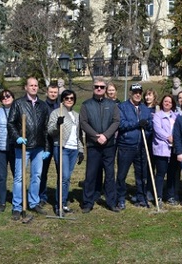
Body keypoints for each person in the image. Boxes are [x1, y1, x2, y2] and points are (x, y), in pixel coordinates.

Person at [7, 77, 51, 220]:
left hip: (38, 147)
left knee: (36, 176)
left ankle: (33, 202)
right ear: (26, 87)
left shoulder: (43, 106)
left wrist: (46, 147)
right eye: (31, 85)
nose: (33, 88)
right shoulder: (18, 104)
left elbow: (45, 129)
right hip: (23, 146)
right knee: (19, 177)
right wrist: (17, 137)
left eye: (36, 85)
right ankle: (17, 206)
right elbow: (11, 123)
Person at [80, 77, 120, 213]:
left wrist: (106, 135)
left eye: (102, 87)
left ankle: (111, 202)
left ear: (105, 89)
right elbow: (84, 123)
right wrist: (96, 136)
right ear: (93, 88)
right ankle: (87, 203)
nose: (99, 89)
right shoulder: (86, 105)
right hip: (93, 145)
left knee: (109, 175)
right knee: (91, 175)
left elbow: (116, 121)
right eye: (96, 86)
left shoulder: (112, 105)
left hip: (109, 145)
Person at [116, 83, 153, 209]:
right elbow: (121, 124)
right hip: (126, 146)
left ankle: (141, 197)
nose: (137, 94)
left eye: (139, 92)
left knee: (141, 174)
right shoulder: (122, 107)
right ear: (131, 93)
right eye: (135, 92)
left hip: (141, 146)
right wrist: (137, 124)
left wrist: (146, 126)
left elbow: (150, 126)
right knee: (122, 175)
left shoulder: (145, 109)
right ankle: (120, 198)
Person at [47, 89, 84, 214]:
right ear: (62, 99)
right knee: (64, 176)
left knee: (67, 178)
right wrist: (58, 125)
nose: (69, 100)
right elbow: (50, 131)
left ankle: (64, 203)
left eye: (71, 98)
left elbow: (78, 134)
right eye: (66, 98)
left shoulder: (77, 115)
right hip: (62, 147)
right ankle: (59, 205)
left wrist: (81, 150)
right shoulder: (57, 112)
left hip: (73, 149)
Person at [151, 95, 178, 206]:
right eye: (165, 101)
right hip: (162, 148)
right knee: (161, 173)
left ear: (173, 104)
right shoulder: (157, 116)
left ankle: (171, 196)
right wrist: (168, 137)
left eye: (170, 102)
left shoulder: (176, 116)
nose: (167, 103)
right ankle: (158, 196)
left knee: (172, 173)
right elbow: (157, 129)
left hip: (174, 149)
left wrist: (175, 138)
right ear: (162, 103)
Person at [39, 84, 59, 207]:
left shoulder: (60, 106)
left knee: (60, 171)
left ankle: (60, 197)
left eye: (55, 92)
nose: (53, 94)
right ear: (47, 92)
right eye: (51, 92)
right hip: (44, 143)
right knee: (42, 171)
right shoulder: (41, 106)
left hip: (56, 142)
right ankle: (41, 196)